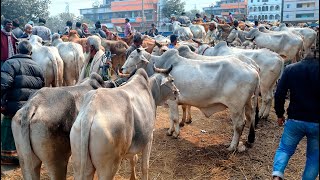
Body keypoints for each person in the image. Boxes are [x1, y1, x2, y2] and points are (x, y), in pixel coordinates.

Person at [272, 50, 319, 180]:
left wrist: (279, 114)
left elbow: (279, 93)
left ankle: (277, 175)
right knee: (314, 157)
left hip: (295, 119)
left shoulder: (291, 69)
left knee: (284, 149)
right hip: (317, 123)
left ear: (304, 57)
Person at [1, 40, 45, 165]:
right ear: (31, 52)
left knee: (6, 123)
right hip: (32, 108)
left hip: (13, 107)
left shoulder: (10, 63)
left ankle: (8, 157)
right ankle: (28, 156)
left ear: (17, 50)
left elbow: (3, 85)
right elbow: (42, 87)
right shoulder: (38, 66)